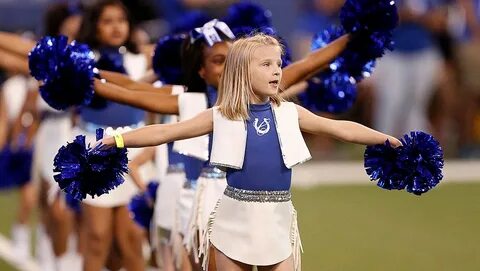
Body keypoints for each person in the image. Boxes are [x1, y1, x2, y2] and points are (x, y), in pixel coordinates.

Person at [97, 33, 402, 270]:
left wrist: (386, 140)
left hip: (278, 221)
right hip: (233, 221)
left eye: (279, 64)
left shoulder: (289, 112)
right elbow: (166, 132)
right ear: (242, 70)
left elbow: (341, 129)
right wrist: (119, 141)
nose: (277, 72)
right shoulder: (221, 114)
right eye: (266, 64)